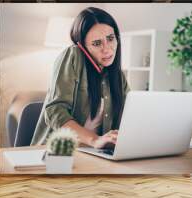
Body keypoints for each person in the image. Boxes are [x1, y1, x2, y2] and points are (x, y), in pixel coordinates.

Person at [31, 7, 130, 149]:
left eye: (110, 39)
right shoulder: (73, 56)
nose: (107, 49)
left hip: (93, 154)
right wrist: (95, 140)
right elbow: (55, 110)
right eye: (97, 43)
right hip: (59, 152)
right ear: (83, 46)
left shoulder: (118, 76)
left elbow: (131, 114)